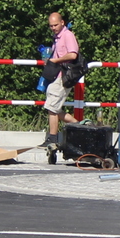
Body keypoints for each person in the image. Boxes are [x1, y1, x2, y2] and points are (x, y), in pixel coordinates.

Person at [40, 11, 80, 148]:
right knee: (53, 107)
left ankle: (52, 138)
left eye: (55, 25)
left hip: (64, 75)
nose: (53, 28)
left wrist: (55, 60)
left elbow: (73, 55)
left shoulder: (67, 35)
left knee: (52, 106)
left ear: (62, 22)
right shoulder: (57, 37)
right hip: (57, 75)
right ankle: (78, 125)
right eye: (51, 26)